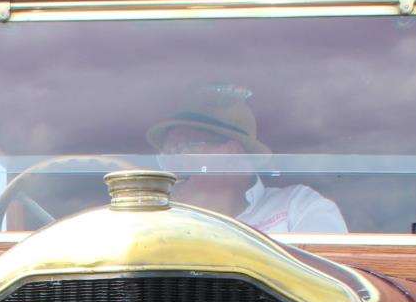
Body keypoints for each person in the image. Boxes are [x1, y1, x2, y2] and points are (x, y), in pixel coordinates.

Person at [147, 84, 346, 235]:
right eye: (168, 152)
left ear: (233, 154)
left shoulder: (298, 207)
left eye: (185, 148)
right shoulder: (150, 218)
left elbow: (328, 281)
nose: (172, 164)